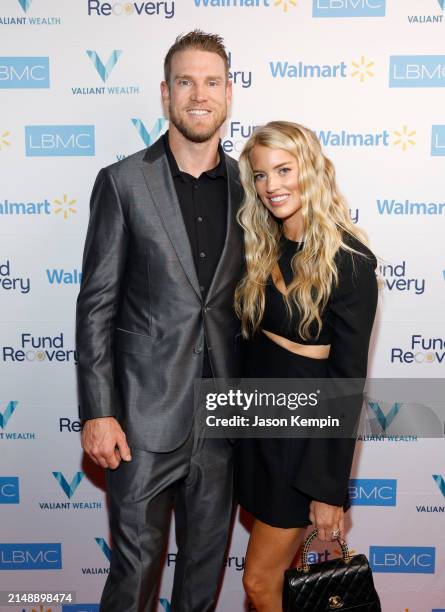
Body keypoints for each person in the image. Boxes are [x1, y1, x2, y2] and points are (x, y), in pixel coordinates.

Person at [76, 30, 244, 612]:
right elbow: (96, 303)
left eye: (212, 82)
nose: (200, 94)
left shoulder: (252, 190)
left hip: (224, 420)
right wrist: (98, 411)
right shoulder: (124, 182)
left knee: (202, 580)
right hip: (141, 421)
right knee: (135, 576)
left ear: (229, 94)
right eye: (186, 82)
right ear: (165, 94)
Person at [234, 121, 378, 612]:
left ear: (310, 171)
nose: (271, 186)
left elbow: (347, 386)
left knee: (259, 582)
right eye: (259, 175)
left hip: (302, 446)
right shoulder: (260, 247)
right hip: (257, 433)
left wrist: (327, 491)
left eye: (283, 170)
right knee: (285, 582)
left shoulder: (351, 263)